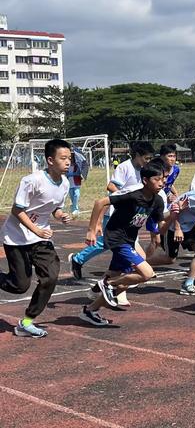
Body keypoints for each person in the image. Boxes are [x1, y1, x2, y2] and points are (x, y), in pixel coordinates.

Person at [80, 162, 167, 326]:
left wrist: (176, 216)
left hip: (129, 239)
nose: (162, 183)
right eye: (157, 179)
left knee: (123, 282)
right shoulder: (133, 195)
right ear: (145, 180)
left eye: (163, 179)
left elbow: (161, 228)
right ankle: (107, 284)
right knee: (147, 273)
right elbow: (100, 203)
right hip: (116, 237)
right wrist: (92, 229)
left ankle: (90, 310)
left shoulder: (157, 201)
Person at [0, 139, 72, 338]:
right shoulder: (32, 180)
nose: (68, 162)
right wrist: (36, 230)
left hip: (41, 239)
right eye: (63, 158)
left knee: (50, 276)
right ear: (50, 160)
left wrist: (61, 216)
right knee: (19, 286)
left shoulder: (65, 183)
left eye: (70, 158)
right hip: (16, 237)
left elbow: (54, 208)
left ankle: (27, 321)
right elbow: (17, 210)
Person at [69, 141, 154, 282]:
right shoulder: (125, 167)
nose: (148, 161)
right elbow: (111, 186)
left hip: (131, 215)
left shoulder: (144, 170)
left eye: (150, 158)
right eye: (146, 158)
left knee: (116, 245)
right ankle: (82, 262)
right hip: (117, 212)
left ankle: (112, 280)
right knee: (110, 243)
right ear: (137, 155)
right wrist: (127, 198)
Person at [145, 144, 180, 259]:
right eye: (169, 156)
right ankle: (138, 264)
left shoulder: (176, 169)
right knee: (156, 240)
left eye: (174, 156)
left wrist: (174, 193)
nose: (172, 159)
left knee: (160, 238)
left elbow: (170, 184)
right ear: (162, 157)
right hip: (155, 204)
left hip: (165, 204)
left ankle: (141, 263)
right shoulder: (156, 169)